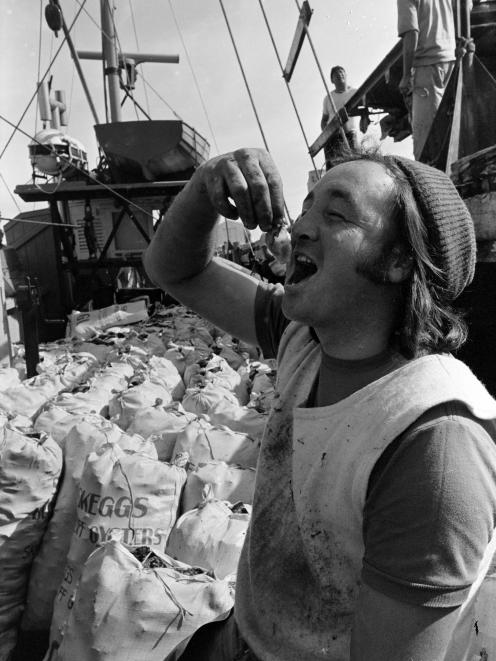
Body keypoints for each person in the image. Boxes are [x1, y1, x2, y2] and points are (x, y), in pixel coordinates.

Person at [144, 147, 496, 661]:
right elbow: (174, 269)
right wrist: (204, 188)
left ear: (399, 260)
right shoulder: (305, 339)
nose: (299, 228)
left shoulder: (432, 443)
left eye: (335, 214)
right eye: (306, 208)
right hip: (244, 637)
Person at [397, 0, 464, 160]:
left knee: (426, 140)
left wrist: (406, 76)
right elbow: (466, 6)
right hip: (449, 60)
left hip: (427, 65)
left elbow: (412, 33)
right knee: (447, 131)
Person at [321, 66, 360, 169]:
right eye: (336, 75)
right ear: (332, 80)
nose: (339, 75)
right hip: (333, 136)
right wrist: (326, 135)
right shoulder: (328, 98)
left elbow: (363, 108)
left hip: (349, 133)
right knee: (333, 167)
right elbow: (324, 120)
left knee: (356, 162)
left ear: (346, 75)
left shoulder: (354, 92)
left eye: (341, 72)